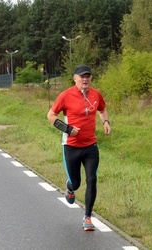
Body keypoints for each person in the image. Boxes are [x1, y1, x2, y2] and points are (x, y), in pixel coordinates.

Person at [47, 64, 111, 231]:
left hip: (90, 145)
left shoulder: (96, 94)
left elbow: (102, 109)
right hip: (71, 146)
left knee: (92, 180)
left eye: (88, 76)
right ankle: (70, 187)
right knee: (76, 183)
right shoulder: (65, 95)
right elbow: (51, 115)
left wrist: (106, 121)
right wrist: (66, 129)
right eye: (82, 76)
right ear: (75, 78)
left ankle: (87, 217)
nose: (85, 79)